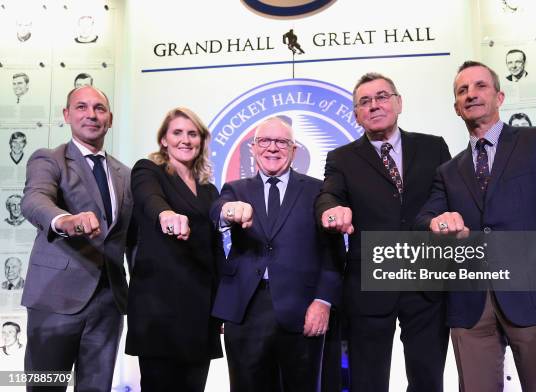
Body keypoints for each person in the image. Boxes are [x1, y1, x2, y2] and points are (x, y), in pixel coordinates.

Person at [415, 60, 536, 391]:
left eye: (480, 86)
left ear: (500, 96)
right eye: (462, 90)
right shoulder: (449, 171)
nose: (471, 94)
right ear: (456, 108)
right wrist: (437, 222)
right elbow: (423, 221)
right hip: (471, 309)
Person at [316, 72, 451, 392]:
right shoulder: (342, 158)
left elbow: (447, 195)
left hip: (426, 282)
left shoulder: (433, 147)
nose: (374, 105)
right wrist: (330, 211)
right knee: (367, 380)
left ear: (398, 102)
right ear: (356, 114)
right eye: (365, 101)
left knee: (428, 378)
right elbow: (329, 195)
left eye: (381, 97)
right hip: (370, 282)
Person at [211, 116, 343, 392]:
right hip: (246, 311)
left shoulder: (317, 191)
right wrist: (228, 211)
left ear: (294, 150)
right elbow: (217, 211)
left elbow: (333, 253)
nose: (273, 148)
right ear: (253, 148)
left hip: (302, 310)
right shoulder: (236, 190)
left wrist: (323, 302)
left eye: (282, 142)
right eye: (265, 141)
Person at [21, 86, 132, 392]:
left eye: (99, 108)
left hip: (109, 304)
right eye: (82, 107)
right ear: (67, 115)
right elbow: (34, 200)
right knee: (46, 386)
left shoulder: (125, 174)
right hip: (55, 299)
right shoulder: (49, 159)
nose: (92, 115)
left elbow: (131, 241)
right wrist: (65, 220)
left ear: (110, 119)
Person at [126, 107, 223, 391]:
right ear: (164, 140)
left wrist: (221, 307)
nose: (185, 139)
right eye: (177, 132)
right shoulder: (149, 170)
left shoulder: (210, 191)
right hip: (160, 310)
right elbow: (149, 198)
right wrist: (165, 214)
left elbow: (215, 251)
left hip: (200, 311)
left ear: (202, 140)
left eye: (193, 133)